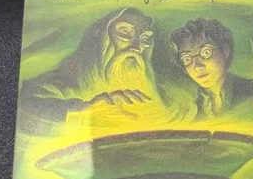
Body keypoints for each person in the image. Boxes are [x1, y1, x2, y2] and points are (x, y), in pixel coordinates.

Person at [17, 8, 171, 133]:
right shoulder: (58, 83)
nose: (137, 48)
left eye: (145, 39)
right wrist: (83, 112)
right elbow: (25, 110)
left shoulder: (164, 94)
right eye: (124, 33)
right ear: (100, 38)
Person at [170, 18, 253, 131]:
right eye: (187, 59)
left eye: (205, 52)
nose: (197, 66)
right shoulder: (186, 105)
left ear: (225, 50)